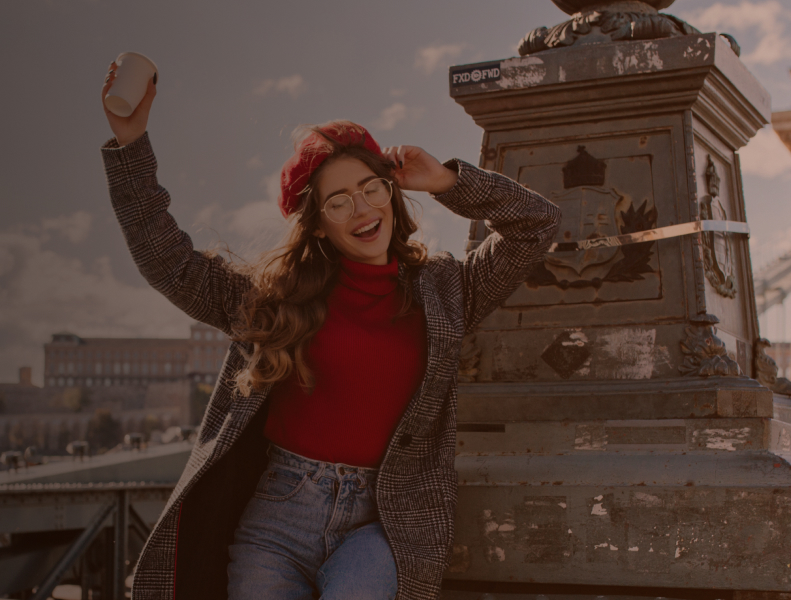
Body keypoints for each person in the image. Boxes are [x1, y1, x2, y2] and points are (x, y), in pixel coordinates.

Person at [100, 62, 560, 600]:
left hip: (380, 523)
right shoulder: (274, 299)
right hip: (277, 521)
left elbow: (536, 225)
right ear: (318, 221)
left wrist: (446, 181)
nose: (362, 209)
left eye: (371, 189)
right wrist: (129, 141)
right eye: (339, 200)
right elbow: (167, 262)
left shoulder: (444, 292)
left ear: (391, 192)